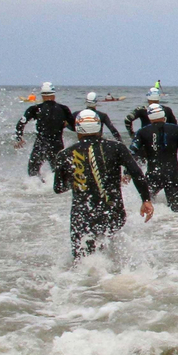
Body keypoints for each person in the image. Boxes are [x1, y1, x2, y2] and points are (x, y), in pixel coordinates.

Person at [53, 109, 154, 257]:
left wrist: (79, 180)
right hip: (113, 209)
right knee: (111, 250)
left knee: (81, 256)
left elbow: (58, 188)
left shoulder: (65, 154)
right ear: (99, 127)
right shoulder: (117, 147)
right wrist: (146, 199)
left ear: (78, 129)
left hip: (82, 213)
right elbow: (136, 173)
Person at [132, 103, 178, 213]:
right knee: (176, 209)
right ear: (163, 116)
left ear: (149, 117)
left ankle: (155, 222)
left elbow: (132, 153)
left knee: (147, 204)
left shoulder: (142, 132)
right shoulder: (176, 129)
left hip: (153, 174)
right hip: (172, 174)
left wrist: (127, 172)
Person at [15, 83, 77, 177]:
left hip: (41, 144)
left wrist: (19, 138)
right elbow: (75, 127)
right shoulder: (63, 109)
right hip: (57, 145)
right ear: (54, 95)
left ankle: (36, 185)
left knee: (33, 172)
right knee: (58, 175)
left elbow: (20, 123)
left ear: (42, 95)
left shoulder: (35, 109)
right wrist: (64, 124)